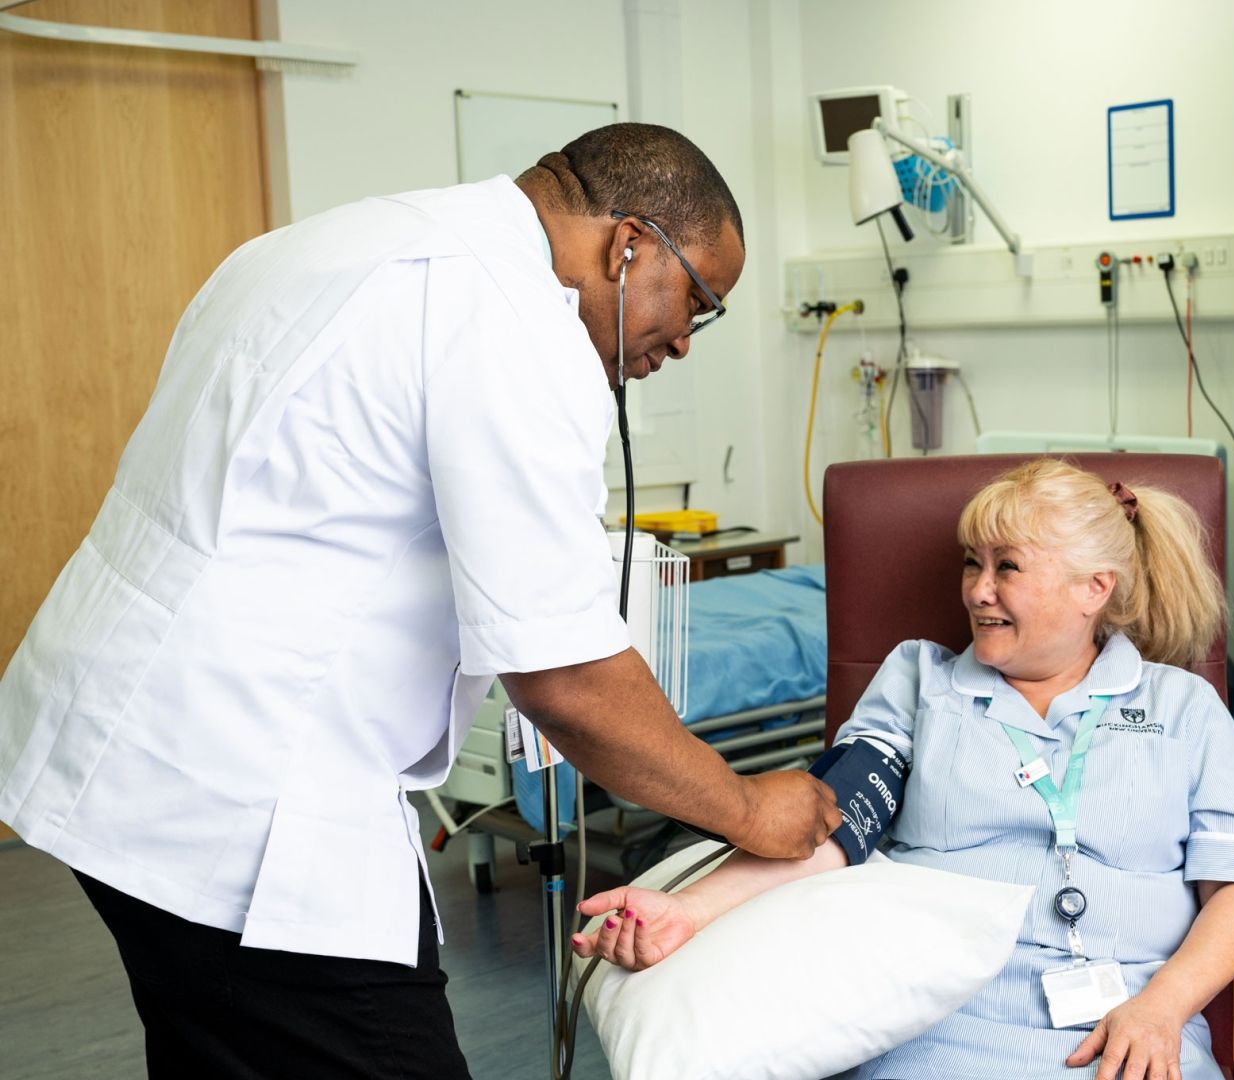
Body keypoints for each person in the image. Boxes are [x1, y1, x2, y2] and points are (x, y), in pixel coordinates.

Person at [0, 124, 837, 1078]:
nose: (684, 340)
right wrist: (745, 808)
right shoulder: (517, 326)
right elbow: (565, 678)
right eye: (696, 301)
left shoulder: (322, 242)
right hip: (239, 800)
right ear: (631, 242)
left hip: (102, 748)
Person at [572, 460, 1234, 1080]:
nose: (977, 590)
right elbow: (829, 833)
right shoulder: (920, 682)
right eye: (972, 563)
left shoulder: (1182, 705)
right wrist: (687, 912)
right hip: (941, 1017)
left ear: (1093, 589)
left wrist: (1164, 1007)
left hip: (1135, 1022)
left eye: (1008, 567)